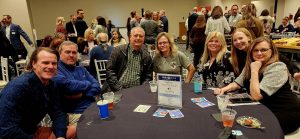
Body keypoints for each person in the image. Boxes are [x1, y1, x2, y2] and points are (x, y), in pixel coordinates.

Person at [214, 37, 300, 135]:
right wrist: (223, 89)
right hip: (263, 108)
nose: (259, 53)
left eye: (263, 50)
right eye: (255, 50)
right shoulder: (251, 64)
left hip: (284, 112)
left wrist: (254, 70)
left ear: (272, 51)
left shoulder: (278, 67)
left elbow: (256, 96)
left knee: (245, 129)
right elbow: (237, 83)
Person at [0, 47, 67, 139]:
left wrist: (60, 135)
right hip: (12, 134)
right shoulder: (18, 87)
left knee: (72, 130)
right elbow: (6, 130)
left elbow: (58, 113)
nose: (51, 66)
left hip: (30, 130)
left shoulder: (51, 84)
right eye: (45, 62)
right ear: (34, 64)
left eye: (54, 63)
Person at [52, 41, 101, 138]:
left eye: (74, 52)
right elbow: (68, 87)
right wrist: (87, 84)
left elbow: (97, 87)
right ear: (59, 53)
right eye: (68, 52)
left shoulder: (81, 69)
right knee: (100, 129)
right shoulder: (55, 69)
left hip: (93, 107)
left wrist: (82, 94)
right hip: (75, 113)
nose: (71, 55)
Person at [105, 27, 152, 92]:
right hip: (118, 90)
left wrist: (141, 89)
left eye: (141, 36)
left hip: (137, 91)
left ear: (144, 39)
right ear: (130, 37)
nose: (138, 38)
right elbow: (110, 71)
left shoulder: (146, 56)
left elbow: (148, 76)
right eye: (135, 35)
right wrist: (119, 89)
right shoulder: (118, 50)